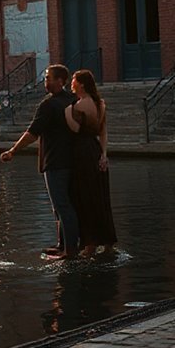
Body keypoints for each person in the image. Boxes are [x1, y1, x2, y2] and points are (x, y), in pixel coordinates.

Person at [0, 64, 78, 260]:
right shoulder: (73, 100)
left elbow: (33, 133)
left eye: (48, 78)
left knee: (61, 205)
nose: (45, 82)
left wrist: (13, 151)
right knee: (65, 204)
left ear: (60, 81)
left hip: (55, 161)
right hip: (73, 160)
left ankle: (69, 250)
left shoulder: (49, 105)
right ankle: (63, 245)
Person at [64, 69, 117, 257]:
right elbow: (103, 132)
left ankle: (90, 244)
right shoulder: (100, 104)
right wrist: (103, 155)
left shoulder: (78, 106)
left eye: (74, 80)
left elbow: (76, 129)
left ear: (81, 84)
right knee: (101, 197)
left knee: (84, 198)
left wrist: (67, 112)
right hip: (95, 150)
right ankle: (108, 243)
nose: (71, 83)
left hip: (82, 153)